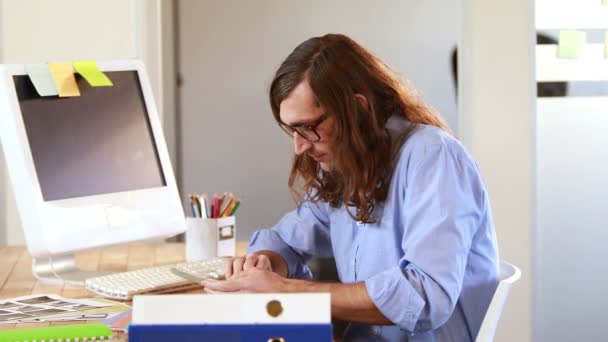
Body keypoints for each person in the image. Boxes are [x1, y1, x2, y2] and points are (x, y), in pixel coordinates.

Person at [202, 33, 499, 342]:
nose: (300, 147)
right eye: (292, 130)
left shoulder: (433, 157)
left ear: (358, 109)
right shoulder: (351, 165)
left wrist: (288, 290)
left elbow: (424, 296)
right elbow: (285, 239)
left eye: (309, 127)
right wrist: (264, 260)